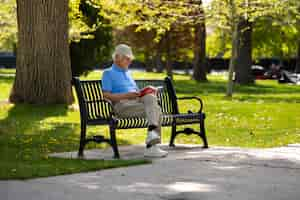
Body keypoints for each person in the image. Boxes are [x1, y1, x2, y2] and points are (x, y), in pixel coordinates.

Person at [101, 44, 168, 158]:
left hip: (135, 102)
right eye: (127, 58)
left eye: (130, 59)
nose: (130, 61)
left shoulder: (127, 73)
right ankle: (152, 147)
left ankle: (152, 136)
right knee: (157, 110)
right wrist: (126, 95)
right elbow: (106, 95)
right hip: (122, 107)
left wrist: (145, 91)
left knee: (151, 98)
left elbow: (135, 92)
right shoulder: (108, 73)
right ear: (117, 57)